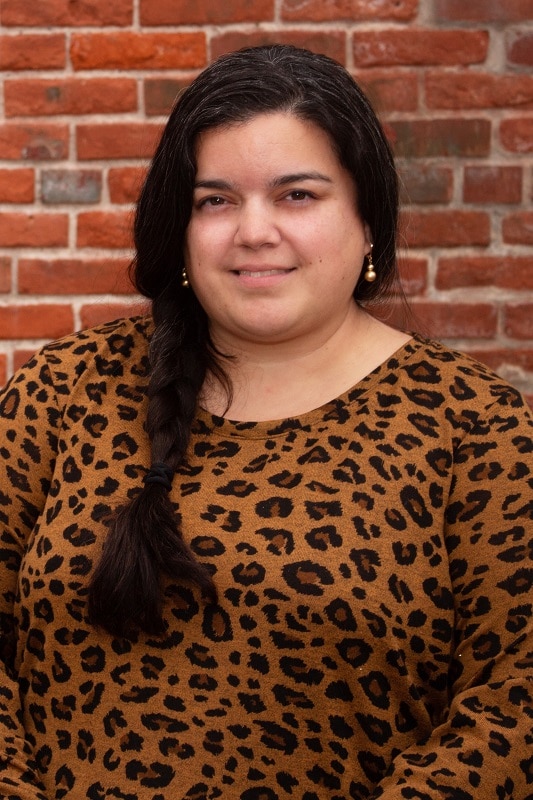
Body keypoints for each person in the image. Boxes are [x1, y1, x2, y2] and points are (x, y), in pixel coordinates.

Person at [0, 44, 531, 800]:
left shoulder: (475, 429)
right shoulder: (61, 391)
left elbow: (512, 706)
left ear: (368, 219)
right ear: (179, 229)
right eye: (214, 200)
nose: (252, 231)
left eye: (297, 196)